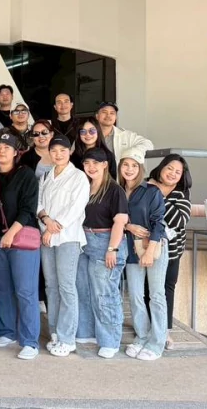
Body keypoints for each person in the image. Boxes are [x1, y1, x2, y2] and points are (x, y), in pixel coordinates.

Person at [0, 131, 41, 360]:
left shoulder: (25, 174)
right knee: (1, 288)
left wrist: (11, 233)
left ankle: (30, 341)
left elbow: (29, 209)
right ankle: (6, 331)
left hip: (21, 239)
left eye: (6, 148)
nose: (1, 151)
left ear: (16, 152)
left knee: (25, 291)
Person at [37, 135, 90, 358]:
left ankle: (68, 339)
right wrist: (46, 221)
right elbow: (39, 204)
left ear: (70, 152)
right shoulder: (46, 176)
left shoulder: (79, 177)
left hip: (68, 237)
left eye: (62, 150)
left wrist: (53, 227)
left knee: (67, 286)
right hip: (47, 237)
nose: (58, 154)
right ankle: (55, 332)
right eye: (54, 150)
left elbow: (76, 207)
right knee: (51, 286)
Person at [75, 146, 129, 359]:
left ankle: (110, 340)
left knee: (104, 293)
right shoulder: (85, 186)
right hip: (84, 240)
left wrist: (112, 249)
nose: (91, 167)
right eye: (87, 163)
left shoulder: (114, 190)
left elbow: (120, 222)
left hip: (106, 240)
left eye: (95, 163)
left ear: (105, 165)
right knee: (84, 288)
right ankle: (87, 332)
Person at [120, 150, 168, 361]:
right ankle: (142, 336)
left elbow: (159, 222)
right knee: (135, 296)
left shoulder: (151, 191)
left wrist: (149, 251)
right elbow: (115, 218)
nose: (129, 169)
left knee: (156, 296)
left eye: (134, 165)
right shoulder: (118, 191)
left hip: (153, 246)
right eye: (125, 165)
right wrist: (128, 226)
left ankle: (157, 342)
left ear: (140, 168)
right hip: (130, 248)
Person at [147, 154, 192, 350]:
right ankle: (150, 327)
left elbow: (178, 221)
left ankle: (164, 331)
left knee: (166, 289)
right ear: (161, 167)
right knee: (148, 290)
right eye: (170, 168)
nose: (172, 173)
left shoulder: (181, 195)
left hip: (171, 251)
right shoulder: (146, 186)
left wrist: (158, 195)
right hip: (148, 247)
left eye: (178, 172)